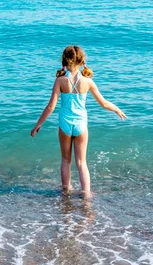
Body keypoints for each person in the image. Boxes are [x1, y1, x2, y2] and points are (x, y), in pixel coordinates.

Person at [30, 45, 127, 197]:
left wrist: (38, 124)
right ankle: (86, 195)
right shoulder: (87, 82)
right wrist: (117, 109)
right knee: (82, 163)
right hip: (81, 125)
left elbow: (50, 107)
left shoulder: (60, 81)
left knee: (65, 161)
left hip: (64, 124)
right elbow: (103, 103)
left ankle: (66, 192)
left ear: (64, 61)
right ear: (82, 61)